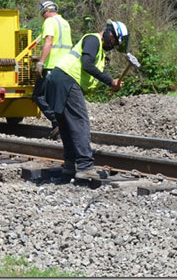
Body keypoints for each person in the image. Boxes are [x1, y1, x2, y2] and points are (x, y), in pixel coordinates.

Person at [45, 19, 129, 180]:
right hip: (67, 80)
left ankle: (70, 165)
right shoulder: (93, 40)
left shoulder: (98, 48)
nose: (113, 46)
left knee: (67, 126)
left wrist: (110, 84)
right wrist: (110, 81)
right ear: (110, 33)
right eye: (114, 41)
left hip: (59, 79)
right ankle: (85, 166)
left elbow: (89, 74)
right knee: (80, 123)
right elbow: (87, 64)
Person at [32, 1, 72, 138]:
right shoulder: (65, 23)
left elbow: (49, 41)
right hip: (65, 67)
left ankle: (58, 122)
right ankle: (59, 129)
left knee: (38, 95)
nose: (43, 17)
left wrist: (41, 62)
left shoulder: (49, 22)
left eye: (43, 14)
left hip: (51, 65)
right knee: (56, 99)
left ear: (46, 11)